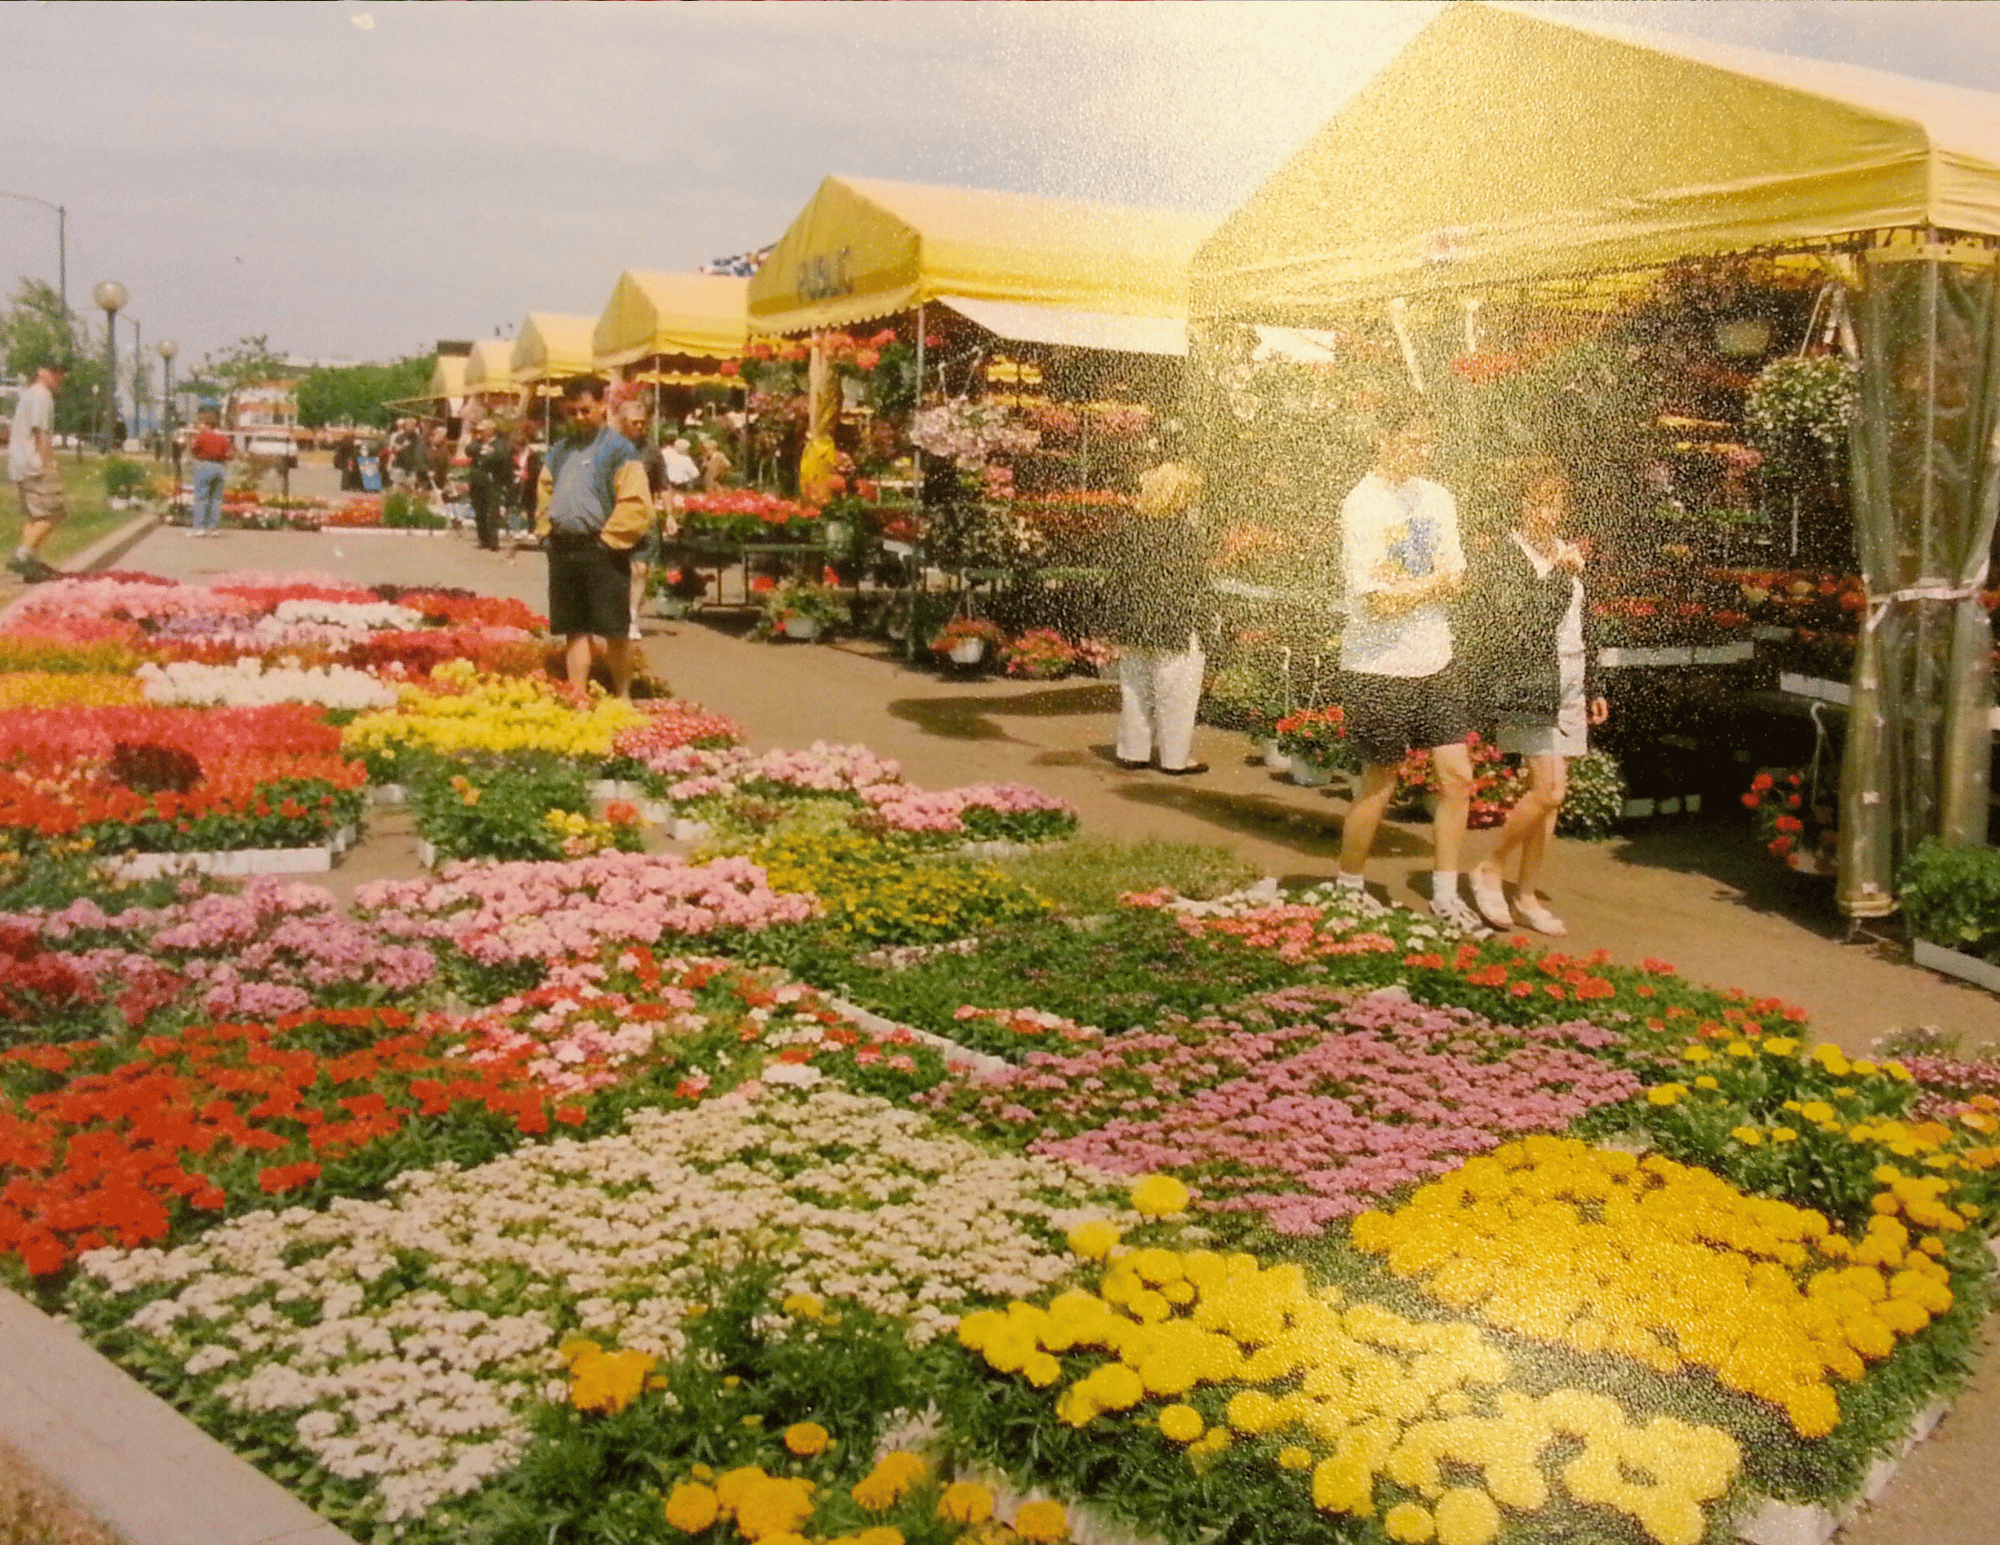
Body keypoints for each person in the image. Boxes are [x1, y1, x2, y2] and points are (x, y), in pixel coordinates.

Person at [1331, 399, 1489, 934]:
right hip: (1376, 666)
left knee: (1458, 777)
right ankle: (1349, 887)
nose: (1421, 452)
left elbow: (1461, 580)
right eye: (1411, 440)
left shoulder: (1438, 497)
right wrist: (1430, 586)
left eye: (1428, 442)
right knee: (1380, 780)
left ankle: (1446, 894)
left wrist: (1414, 590)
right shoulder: (1362, 504)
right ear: (1382, 437)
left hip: (1435, 658)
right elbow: (1377, 601)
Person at [1466, 458, 1609, 935]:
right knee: (1547, 790)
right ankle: (1489, 867)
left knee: (1552, 798)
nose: (1548, 512)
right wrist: (1554, 573)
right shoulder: (1505, 558)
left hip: (1568, 681)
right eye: (1539, 501)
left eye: (1556, 502)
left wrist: (1594, 686)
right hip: (1528, 685)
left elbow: (1583, 622)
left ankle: (1526, 895)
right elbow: (1520, 625)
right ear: (1520, 503)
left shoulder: (1561, 550)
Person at [532, 377, 651, 696]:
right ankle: (578, 693)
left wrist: (608, 541)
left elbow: (637, 502)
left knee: (614, 629)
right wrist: (545, 532)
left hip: (603, 549)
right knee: (574, 628)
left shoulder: (618, 449)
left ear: (603, 405)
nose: (579, 418)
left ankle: (623, 695)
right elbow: (544, 490)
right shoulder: (560, 450)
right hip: (564, 548)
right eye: (572, 412)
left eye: (585, 410)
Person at [1098, 457, 1213, 775]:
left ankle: (1132, 751)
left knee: (1135, 687)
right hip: (1173, 625)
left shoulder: (1130, 528)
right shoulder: (1184, 534)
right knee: (1176, 694)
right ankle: (1176, 758)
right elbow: (1195, 585)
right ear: (1181, 497)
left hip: (1135, 622)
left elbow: (1116, 578)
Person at [612, 392, 673, 639]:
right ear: (622, 422)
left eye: (642, 422)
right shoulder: (610, 448)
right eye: (634, 422)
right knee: (616, 569)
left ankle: (632, 617)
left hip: (644, 517)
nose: (639, 426)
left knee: (639, 569)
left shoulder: (652, 451)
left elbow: (664, 485)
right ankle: (616, 613)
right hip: (615, 517)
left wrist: (670, 515)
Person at [5, 357, 70, 581]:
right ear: (41, 371)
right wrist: (48, 463)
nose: (59, 376)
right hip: (33, 463)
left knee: (34, 515)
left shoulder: (30, 393)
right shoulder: (43, 396)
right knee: (53, 513)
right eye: (54, 371)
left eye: (61, 372)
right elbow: (42, 433)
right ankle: (23, 555)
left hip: (19, 462)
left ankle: (29, 565)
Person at [464, 417, 514, 551]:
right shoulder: (477, 443)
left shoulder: (500, 443)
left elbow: (500, 457)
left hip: (493, 482)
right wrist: (481, 447)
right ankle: (483, 539)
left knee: (492, 512)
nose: (480, 433)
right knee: (479, 511)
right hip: (477, 482)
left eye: (483, 430)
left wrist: (488, 454)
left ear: (491, 431)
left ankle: (493, 541)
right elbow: (468, 450)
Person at [187, 405, 233, 540]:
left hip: (204, 465)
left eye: (200, 423)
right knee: (216, 499)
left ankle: (200, 528)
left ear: (206, 424)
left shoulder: (202, 437)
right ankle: (214, 528)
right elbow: (230, 454)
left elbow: (194, 450)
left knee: (201, 497)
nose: (198, 426)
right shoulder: (223, 438)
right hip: (219, 467)